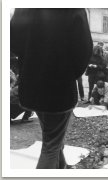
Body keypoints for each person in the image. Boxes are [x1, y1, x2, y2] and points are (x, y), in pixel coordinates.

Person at [11, 9, 93, 169]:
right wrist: (70, 74)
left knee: (52, 136)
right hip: (58, 87)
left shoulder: (25, 7)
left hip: (32, 84)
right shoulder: (72, 8)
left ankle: (63, 168)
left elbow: (12, 40)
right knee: (51, 145)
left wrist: (29, 58)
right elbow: (84, 48)